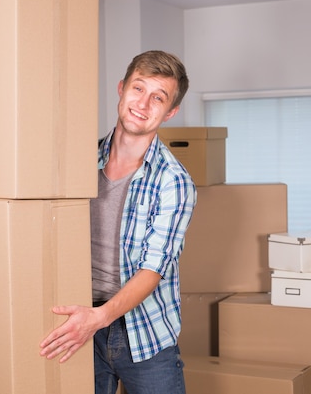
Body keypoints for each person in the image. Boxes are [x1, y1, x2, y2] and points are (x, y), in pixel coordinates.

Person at [40, 50, 197, 394]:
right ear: (121, 88)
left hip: (144, 333)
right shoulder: (80, 163)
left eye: (159, 97)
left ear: (170, 111)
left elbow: (153, 269)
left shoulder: (173, 181)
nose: (143, 103)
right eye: (138, 88)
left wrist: (100, 318)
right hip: (79, 320)